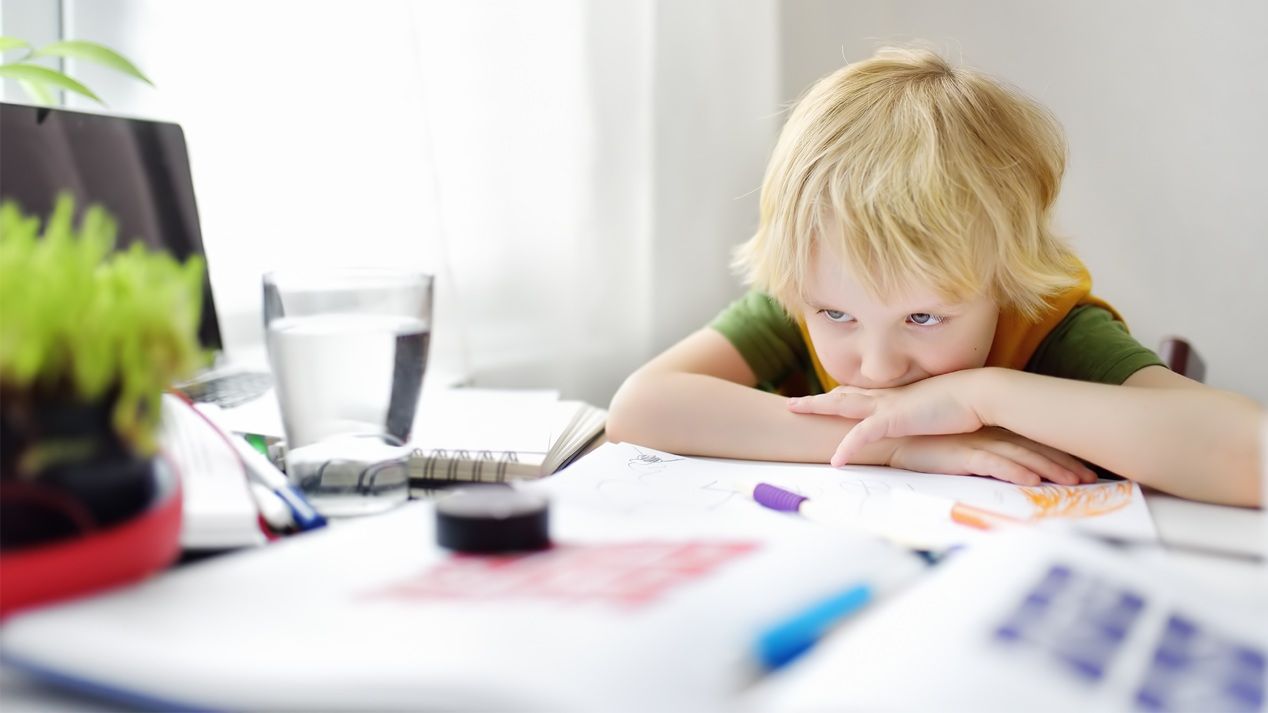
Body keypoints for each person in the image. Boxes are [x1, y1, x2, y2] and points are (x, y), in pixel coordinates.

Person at [606, 47, 1261, 507]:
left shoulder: (1047, 330)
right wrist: (891, 446)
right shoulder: (797, 304)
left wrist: (987, 397)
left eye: (923, 318)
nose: (878, 366)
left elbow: (1251, 458)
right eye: (837, 315)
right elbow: (639, 407)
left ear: (1000, 284)